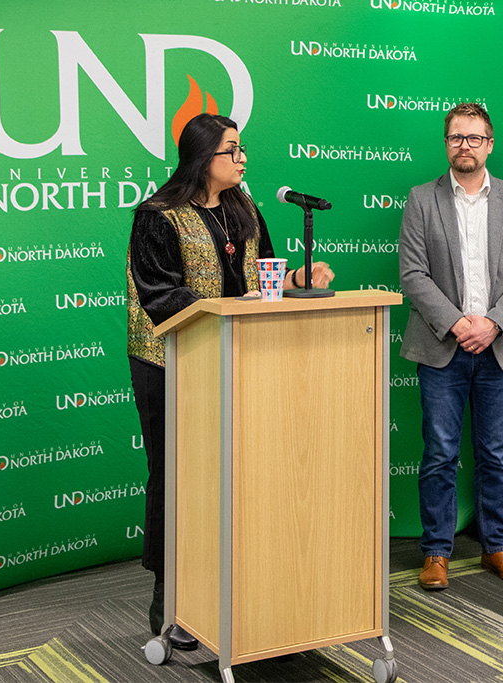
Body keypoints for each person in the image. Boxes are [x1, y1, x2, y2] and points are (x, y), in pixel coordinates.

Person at [127, 113, 334, 647]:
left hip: (236, 357)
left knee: (237, 476)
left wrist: (296, 278)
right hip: (170, 364)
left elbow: (261, 276)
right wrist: (229, 307)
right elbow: (159, 295)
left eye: (242, 150)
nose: (243, 159)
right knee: (176, 476)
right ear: (203, 158)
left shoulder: (243, 208)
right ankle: (170, 595)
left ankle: (234, 591)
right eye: (232, 150)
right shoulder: (158, 216)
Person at [399, 102, 503, 591]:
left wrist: (493, 324)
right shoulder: (422, 199)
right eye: (457, 137)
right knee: (440, 453)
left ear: (490, 145)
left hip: (500, 347)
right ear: (446, 144)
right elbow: (412, 274)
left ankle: (497, 546)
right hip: (444, 347)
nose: (465, 146)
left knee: (496, 454)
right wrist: (459, 324)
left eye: (474, 138)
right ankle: (436, 552)